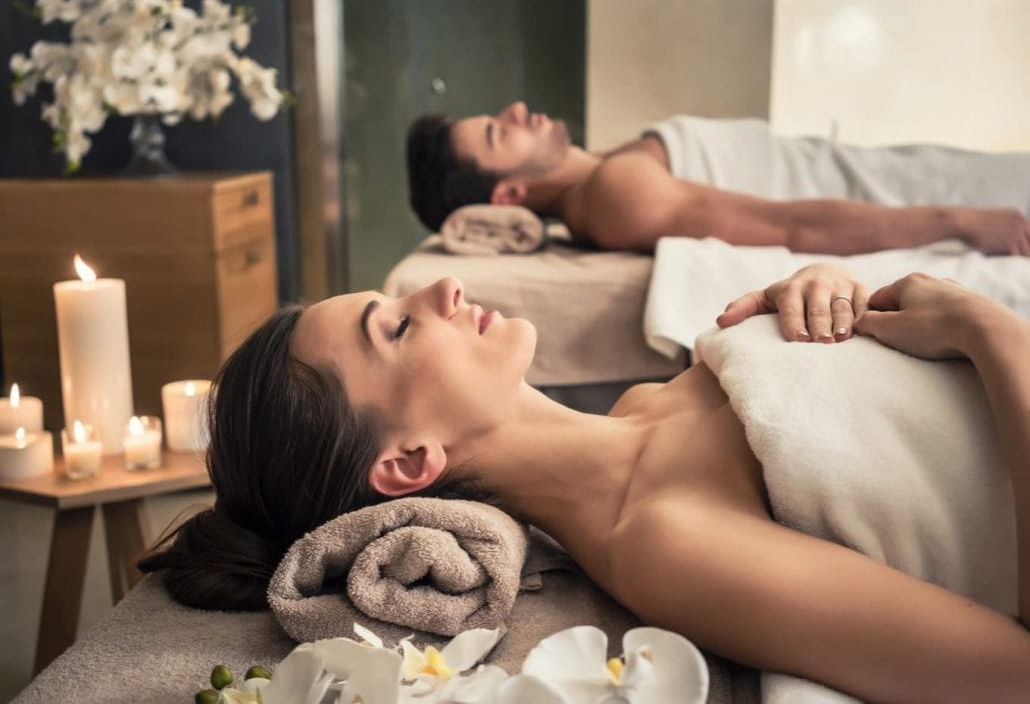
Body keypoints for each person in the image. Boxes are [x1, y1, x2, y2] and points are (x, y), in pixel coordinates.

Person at [140, 264, 1030, 702]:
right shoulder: (663, 540)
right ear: (410, 463)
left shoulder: (654, 398)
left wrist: (836, 298)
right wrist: (989, 331)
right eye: (400, 329)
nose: (446, 288)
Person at [405, 102, 1030, 256]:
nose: (517, 109)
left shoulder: (607, 170)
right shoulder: (617, 195)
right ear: (509, 195)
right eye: (500, 134)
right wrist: (961, 220)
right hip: (919, 201)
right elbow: (792, 226)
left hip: (900, 172)